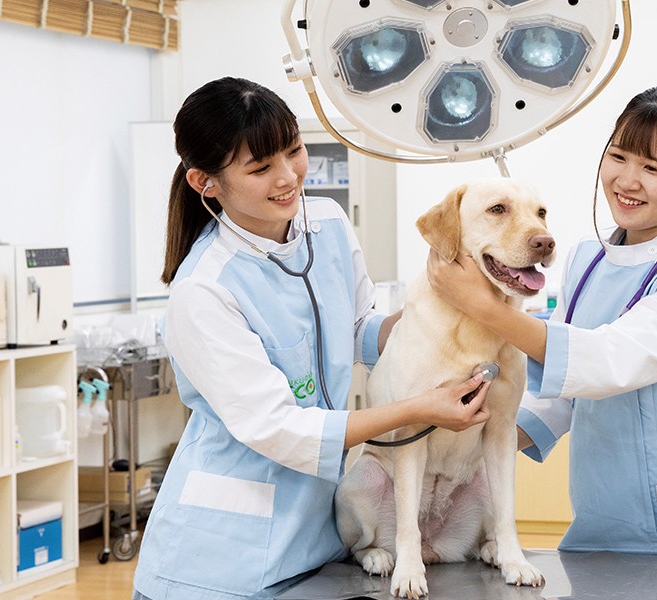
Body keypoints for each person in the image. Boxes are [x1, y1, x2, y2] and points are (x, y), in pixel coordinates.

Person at [132, 77, 492, 600]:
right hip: (219, 564)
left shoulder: (326, 221)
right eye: (260, 168)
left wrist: (440, 314)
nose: (287, 177)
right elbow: (280, 428)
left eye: (294, 150)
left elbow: (360, 329)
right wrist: (420, 408)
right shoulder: (203, 290)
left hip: (317, 545)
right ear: (205, 183)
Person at [426, 84, 657, 558]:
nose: (627, 180)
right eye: (618, 157)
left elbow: (600, 363)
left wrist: (483, 307)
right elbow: (562, 393)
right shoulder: (587, 259)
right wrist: (472, 450)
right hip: (603, 525)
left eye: (652, 168)